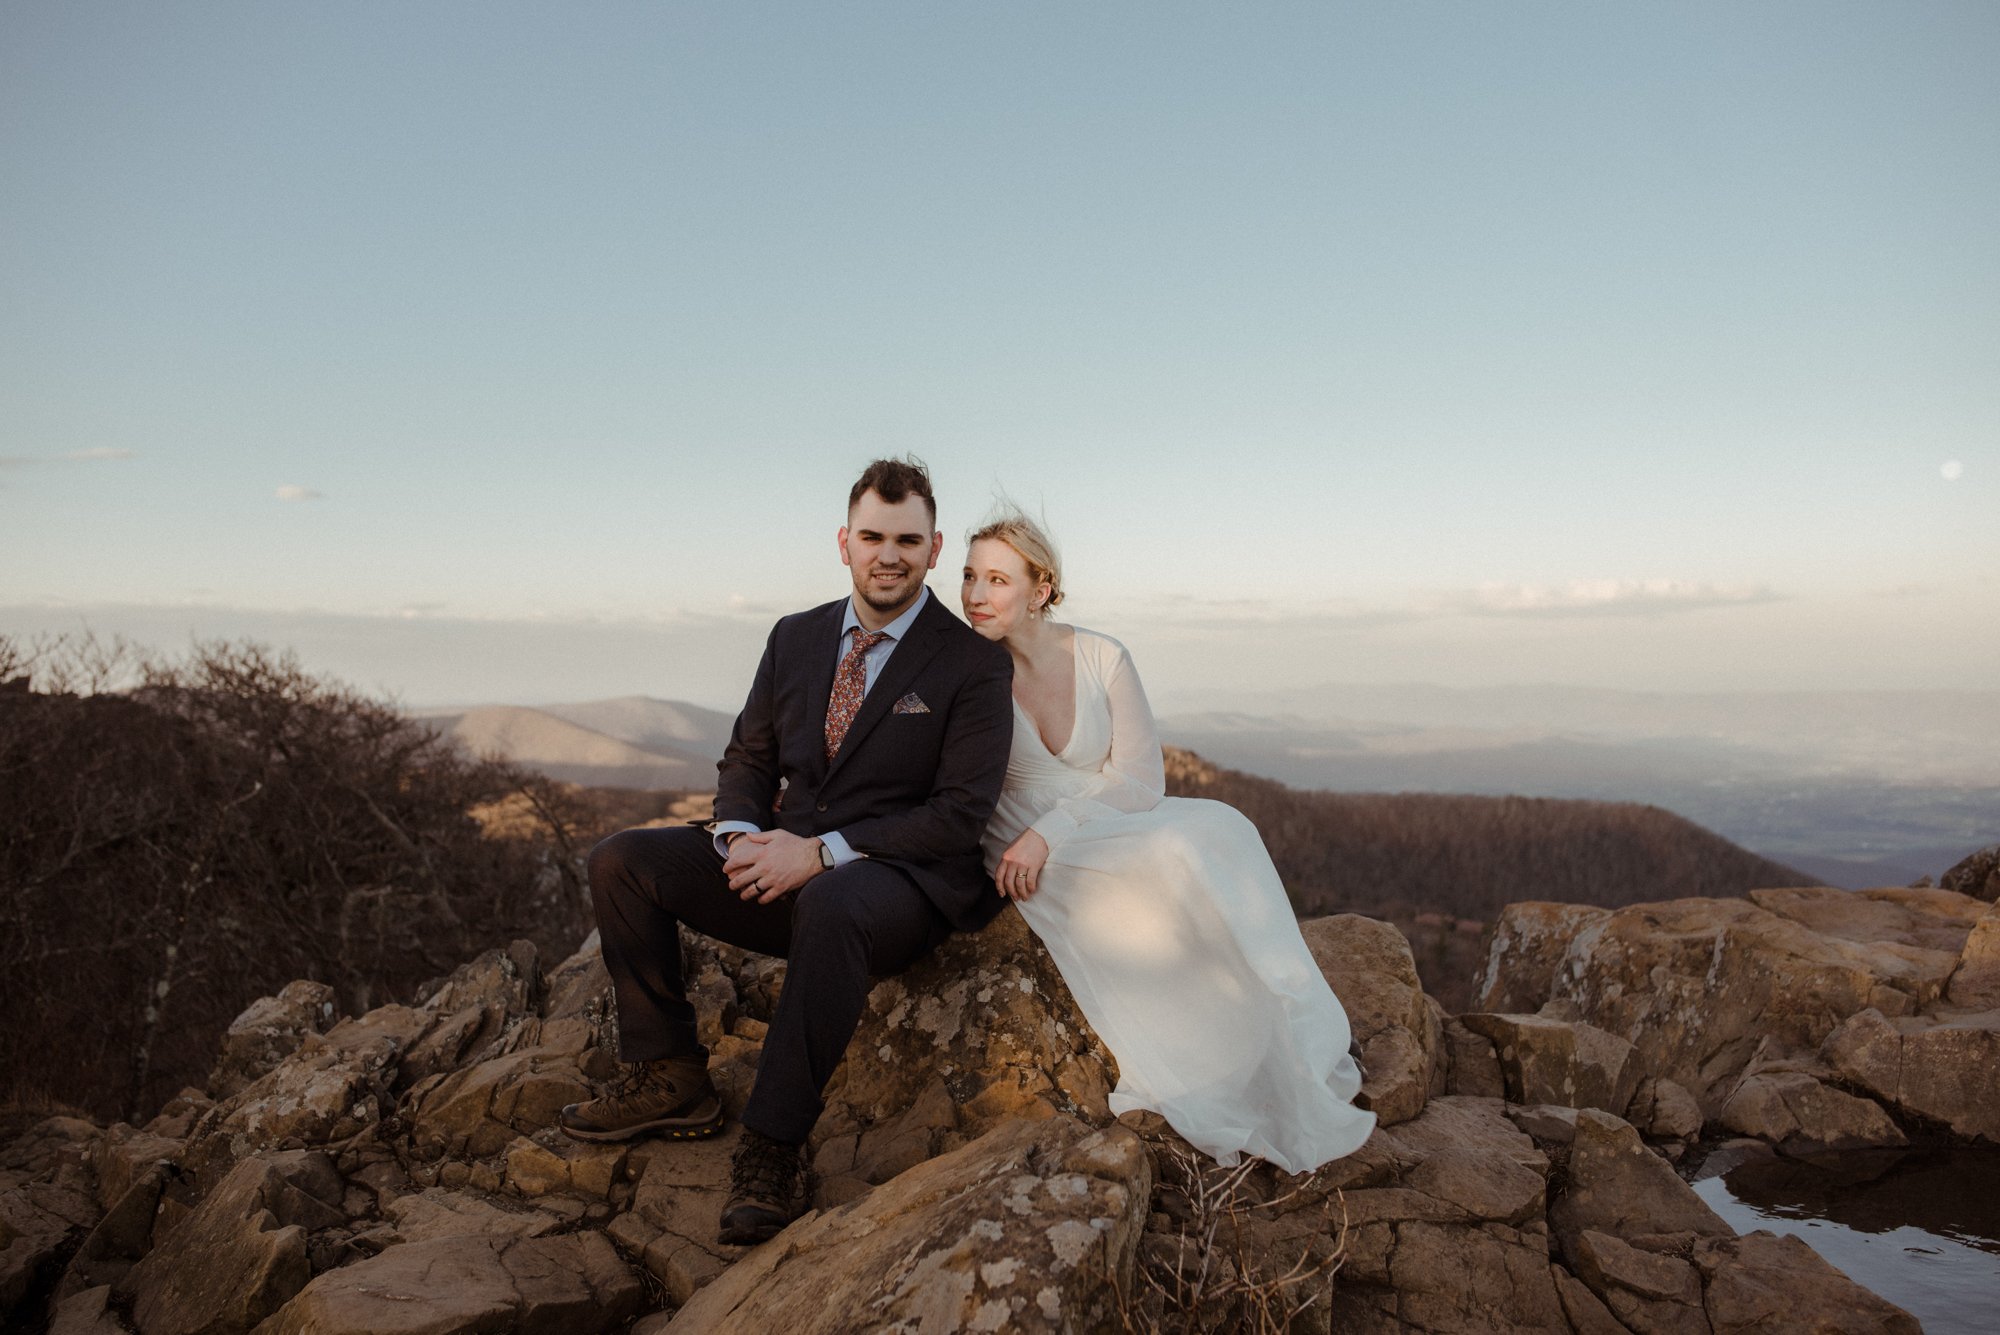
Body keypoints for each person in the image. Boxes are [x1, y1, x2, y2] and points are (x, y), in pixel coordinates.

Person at [561, 458, 1014, 1245]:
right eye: (872, 535)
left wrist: (824, 852)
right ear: (845, 541)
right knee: (620, 860)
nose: (888, 554)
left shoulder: (971, 662)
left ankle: (771, 1146)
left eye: (908, 539)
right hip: (783, 865)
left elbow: (958, 815)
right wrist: (737, 835)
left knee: (835, 901)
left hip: (894, 888)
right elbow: (747, 759)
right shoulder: (795, 636)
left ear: (934, 549)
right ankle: (672, 1075)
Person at [961, 511, 1376, 1172]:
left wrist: (1056, 826)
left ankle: (1289, 1029)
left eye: (997, 579)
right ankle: (1216, 1063)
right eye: (970, 575)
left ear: (1041, 589)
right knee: (1160, 863)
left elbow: (1139, 777)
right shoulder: (965, 668)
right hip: (1020, 841)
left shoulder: (1101, 656)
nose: (976, 594)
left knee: (1220, 826)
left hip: (1095, 816)